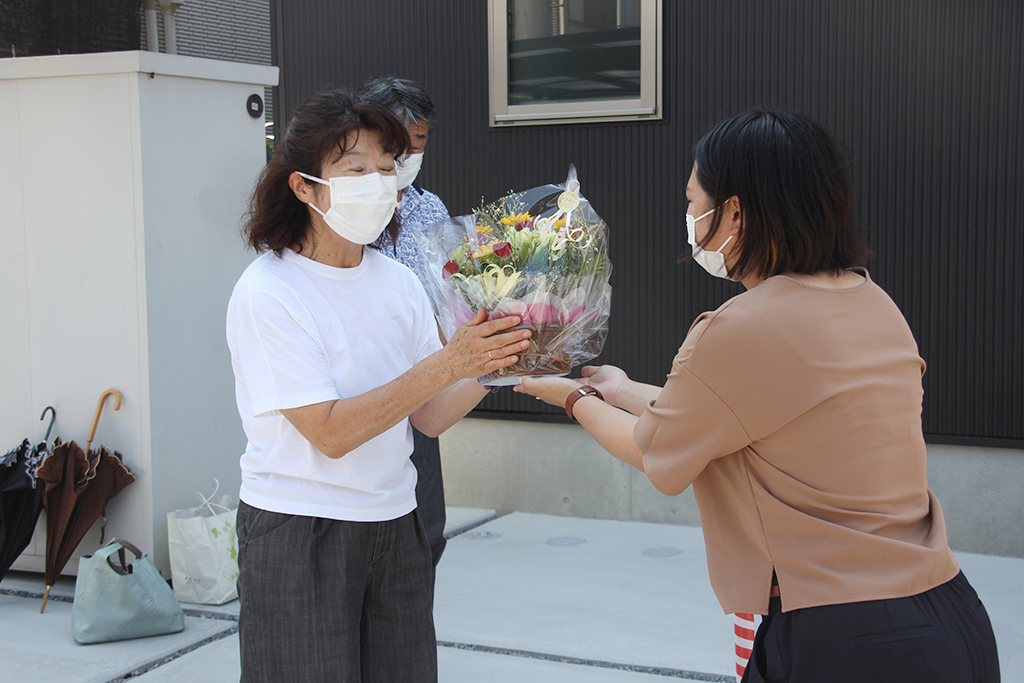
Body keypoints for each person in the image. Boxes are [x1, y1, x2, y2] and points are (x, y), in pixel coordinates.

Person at [515, 110, 1000, 682]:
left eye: (695, 202)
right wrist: (621, 390)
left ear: (736, 212)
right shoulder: (872, 301)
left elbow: (654, 453)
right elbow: (737, 417)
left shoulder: (741, 326)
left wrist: (571, 399)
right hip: (949, 614)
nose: (691, 218)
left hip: (845, 634)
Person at [225, 87, 532, 683]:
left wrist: (505, 356)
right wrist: (450, 362)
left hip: (397, 520)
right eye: (355, 169)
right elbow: (331, 433)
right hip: (300, 528)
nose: (378, 183)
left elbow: (431, 416)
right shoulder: (269, 291)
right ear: (304, 186)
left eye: (387, 168)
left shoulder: (395, 281)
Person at [358, 76, 451, 569]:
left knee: (426, 533)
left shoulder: (429, 207)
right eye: (403, 145)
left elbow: (452, 293)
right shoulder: (345, 212)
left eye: (421, 144)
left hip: (425, 386)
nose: (411, 157)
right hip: (363, 392)